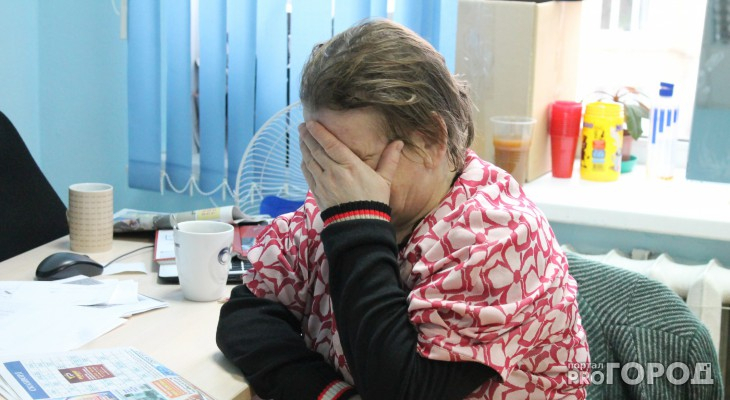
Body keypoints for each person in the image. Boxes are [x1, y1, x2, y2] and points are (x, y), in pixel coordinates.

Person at [217, 18, 590, 400]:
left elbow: (400, 388)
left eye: (357, 161)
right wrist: (329, 393)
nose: (331, 179)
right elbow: (243, 319)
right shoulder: (337, 199)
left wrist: (358, 223)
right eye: (322, 156)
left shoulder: (501, 237)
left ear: (431, 140)